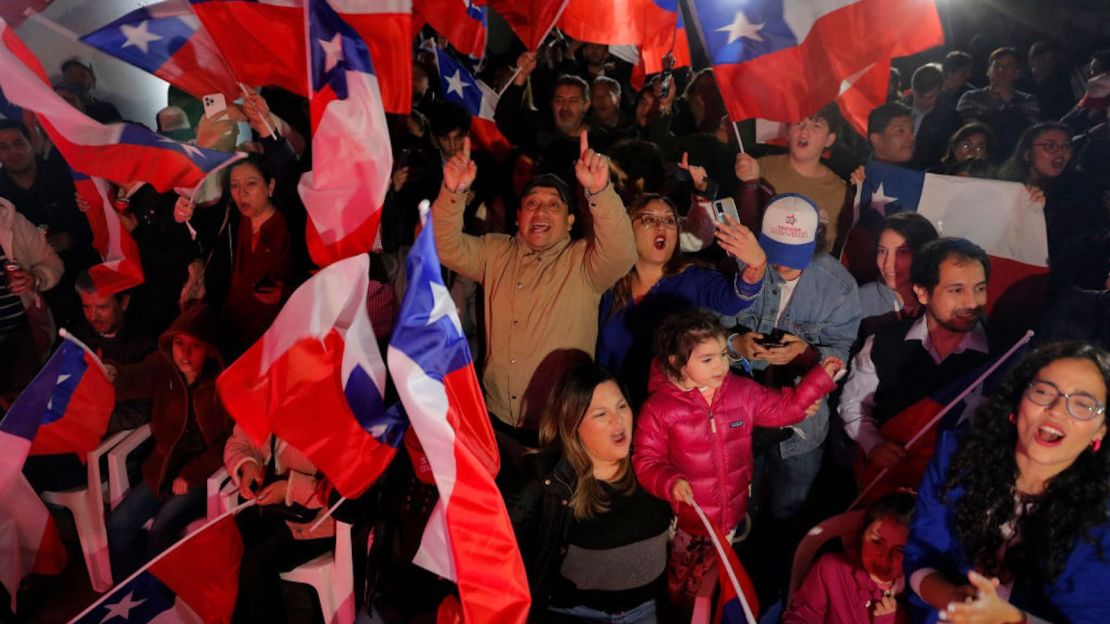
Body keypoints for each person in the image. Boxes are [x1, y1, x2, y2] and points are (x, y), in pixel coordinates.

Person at [633, 308, 842, 609]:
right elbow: (646, 460)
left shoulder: (740, 392)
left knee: (719, 583)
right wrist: (669, 481)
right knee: (683, 586)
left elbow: (783, 407)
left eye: (722, 354)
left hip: (730, 515)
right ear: (676, 363)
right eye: (708, 359)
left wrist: (818, 380)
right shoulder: (659, 408)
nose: (720, 365)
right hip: (688, 522)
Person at [433, 134, 636, 441]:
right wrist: (453, 191)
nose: (540, 212)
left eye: (553, 205)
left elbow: (622, 254)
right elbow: (442, 246)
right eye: (532, 204)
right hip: (494, 416)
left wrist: (599, 191)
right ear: (518, 217)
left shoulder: (582, 261)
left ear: (569, 221)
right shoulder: (494, 252)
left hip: (559, 424)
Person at [904, 342, 1110, 623]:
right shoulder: (956, 457)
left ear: (1100, 432)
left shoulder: (1103, 520)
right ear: (1017, 403)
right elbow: (921, 555)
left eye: (1084, 404)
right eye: (1043, 392)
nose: (1056, 410)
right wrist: (954, 600)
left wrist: (1008, 619)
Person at [724, 195, 861, 524]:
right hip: (739, 420)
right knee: (737, 511)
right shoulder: (741, 267)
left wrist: (806, 354)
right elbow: (702, 334)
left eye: (794, 255)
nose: (782, 264)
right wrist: (735, 344)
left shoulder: (838, 287)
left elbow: (843, 357)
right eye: (775, 251)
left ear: (816, 243)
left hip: (801, 430)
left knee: (790, 516)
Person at [505, 363, 672, 622]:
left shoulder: (654, 465)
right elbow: (495, 546)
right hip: (576, 614)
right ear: (573, 426)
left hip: (647, 612)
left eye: (621, 406)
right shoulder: (547, 481)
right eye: (600, 414)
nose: (618, 420)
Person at [597, 193, 766, 406]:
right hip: (622, 414)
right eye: (649, 219)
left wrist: (756, 266)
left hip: (677, 421)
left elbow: (733, 300)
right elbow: (603, 358)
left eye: (669, 220)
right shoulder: (613, 285)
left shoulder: (691, 279)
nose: (662, 226)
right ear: (628, 229)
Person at [841, 238, 992, 475]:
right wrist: (874, 445)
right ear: (922, 293)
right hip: (889, 480)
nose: (972, 302)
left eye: (980, 288)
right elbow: (853, 403)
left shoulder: (1001, 356)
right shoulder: (883, 345)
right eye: (957, 290)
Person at [106, 303, 233, 578]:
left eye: (195, 346)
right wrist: (112, 375)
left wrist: (193, 473)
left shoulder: (223, 383)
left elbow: (231, 441)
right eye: (179, 343)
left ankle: (159, 601)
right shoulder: (164, 369)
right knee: (119, 524)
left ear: (210, 349)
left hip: (203, 474)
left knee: (163, 528)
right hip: (164, 469)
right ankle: (127, 595)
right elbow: (136, 378)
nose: (184, 354)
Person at [224, 426, 335, 624]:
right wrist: (247, 464)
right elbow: (239, 441)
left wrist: (290, 489)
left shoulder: (334, 410)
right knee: (233, 541)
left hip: (323, 521)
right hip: (281, 510)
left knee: (257, 563)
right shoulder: (267, 399)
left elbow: (342, 488)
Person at [783, 491, 917, 624]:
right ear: (862, 535)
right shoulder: (831, 569)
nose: (883, 558)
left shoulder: (920, 589)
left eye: (900, 550)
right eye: (876, 541)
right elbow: (803, 617)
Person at [734, 104, 852, 245]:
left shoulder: (840, 191)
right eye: (798, 123)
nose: (804, 131)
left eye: (816, 126)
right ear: (787, 131)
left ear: (829, 139)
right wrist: (749, 185)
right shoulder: (758, 167)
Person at [999, 122, 1107, 268]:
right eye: (1050, 146)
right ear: (1027, 154)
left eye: (1065, 146)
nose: (1060, 153)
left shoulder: (1081, 191)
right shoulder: (1004, 188)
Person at [0, 196, 62, 403]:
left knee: (28, 406)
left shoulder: (12, 221)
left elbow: (52, 263)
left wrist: (35, 278)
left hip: (22, 333)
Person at [856, 212, 939, 342]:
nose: (888, 264)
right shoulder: (861, 299)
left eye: (902, 252)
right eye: (882, 251)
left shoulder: (942, 300)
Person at [957, 48, 1040, 157]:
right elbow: (969, 130)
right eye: (997, 65)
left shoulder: (1027, 101)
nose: (1001, 70)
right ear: (988, 70)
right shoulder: (970, 98)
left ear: (1016, 73)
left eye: (1008, 66)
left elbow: (1030, 133)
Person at [907, 64, 962, 171]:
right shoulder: (899, 110)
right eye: (919, 97)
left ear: (940, 92)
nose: (922, 102)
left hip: (929, 175)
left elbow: (950, 155)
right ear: (912, 90)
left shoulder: (950, 118)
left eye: (930, 97)